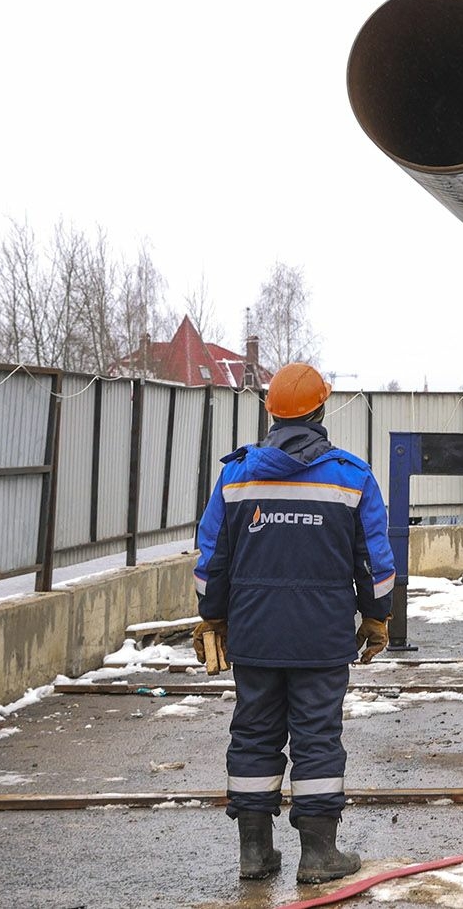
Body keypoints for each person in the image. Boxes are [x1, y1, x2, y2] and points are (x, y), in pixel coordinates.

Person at [192, 362, 396, 884]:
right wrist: (377, 619)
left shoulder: (237, 476)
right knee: (317, 736)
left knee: (254, 733)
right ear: (322, 411)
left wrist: (212, 615)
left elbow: (212, 556)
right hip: (322, 639)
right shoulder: (351, 477)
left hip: (255, 636)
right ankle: (318, 855)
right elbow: (375, 561)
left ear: (271, 414)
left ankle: (255, 854)